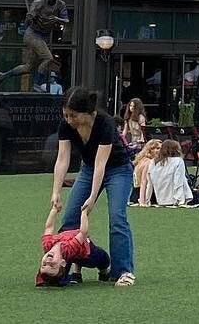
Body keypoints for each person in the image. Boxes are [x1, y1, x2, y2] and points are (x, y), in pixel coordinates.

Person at [49, 87, 135, 287]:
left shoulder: (105, 124)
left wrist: (92, 197)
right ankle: (65, 269)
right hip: (88, 170)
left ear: (89, 113)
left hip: (118, 170)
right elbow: (62, 159)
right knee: (70, 219)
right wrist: (56, 192)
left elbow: (101, 164)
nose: (69, 120)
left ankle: (123, 271)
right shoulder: (66, 125)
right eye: (66, 115)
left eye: (74, 116)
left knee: (117, 218)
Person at [0, 0, 68, 91]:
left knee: (28, 67)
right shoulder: (39, 3)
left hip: (42, 37)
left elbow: (66, 21)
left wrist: (56, 19)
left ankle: (3, 76)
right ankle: (36, 85)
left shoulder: (61, 5)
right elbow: (28, 18)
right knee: (48, 58)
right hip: (32, 34)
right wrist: (31, 18)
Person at [36, 204, 110, 287]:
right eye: (52, 265)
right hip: (88, 254)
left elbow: (48, 227)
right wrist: (84, 213)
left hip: (75, 249)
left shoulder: (48, 244)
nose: (48, 261)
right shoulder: (69, 248)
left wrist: (54, 210)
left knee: (76, 257)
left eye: (44, 265)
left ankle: (77, 274)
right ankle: (103, 272)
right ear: (63, 262)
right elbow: (83, 233)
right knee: (103, 258)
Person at [130, 138, 163, 204]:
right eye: (154, 148)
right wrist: (142, 201)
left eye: (159, 148)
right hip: (144, 194)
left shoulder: (141, 160)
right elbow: (143, 181)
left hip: (135, 193)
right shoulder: (149, 162)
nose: (157, 151)